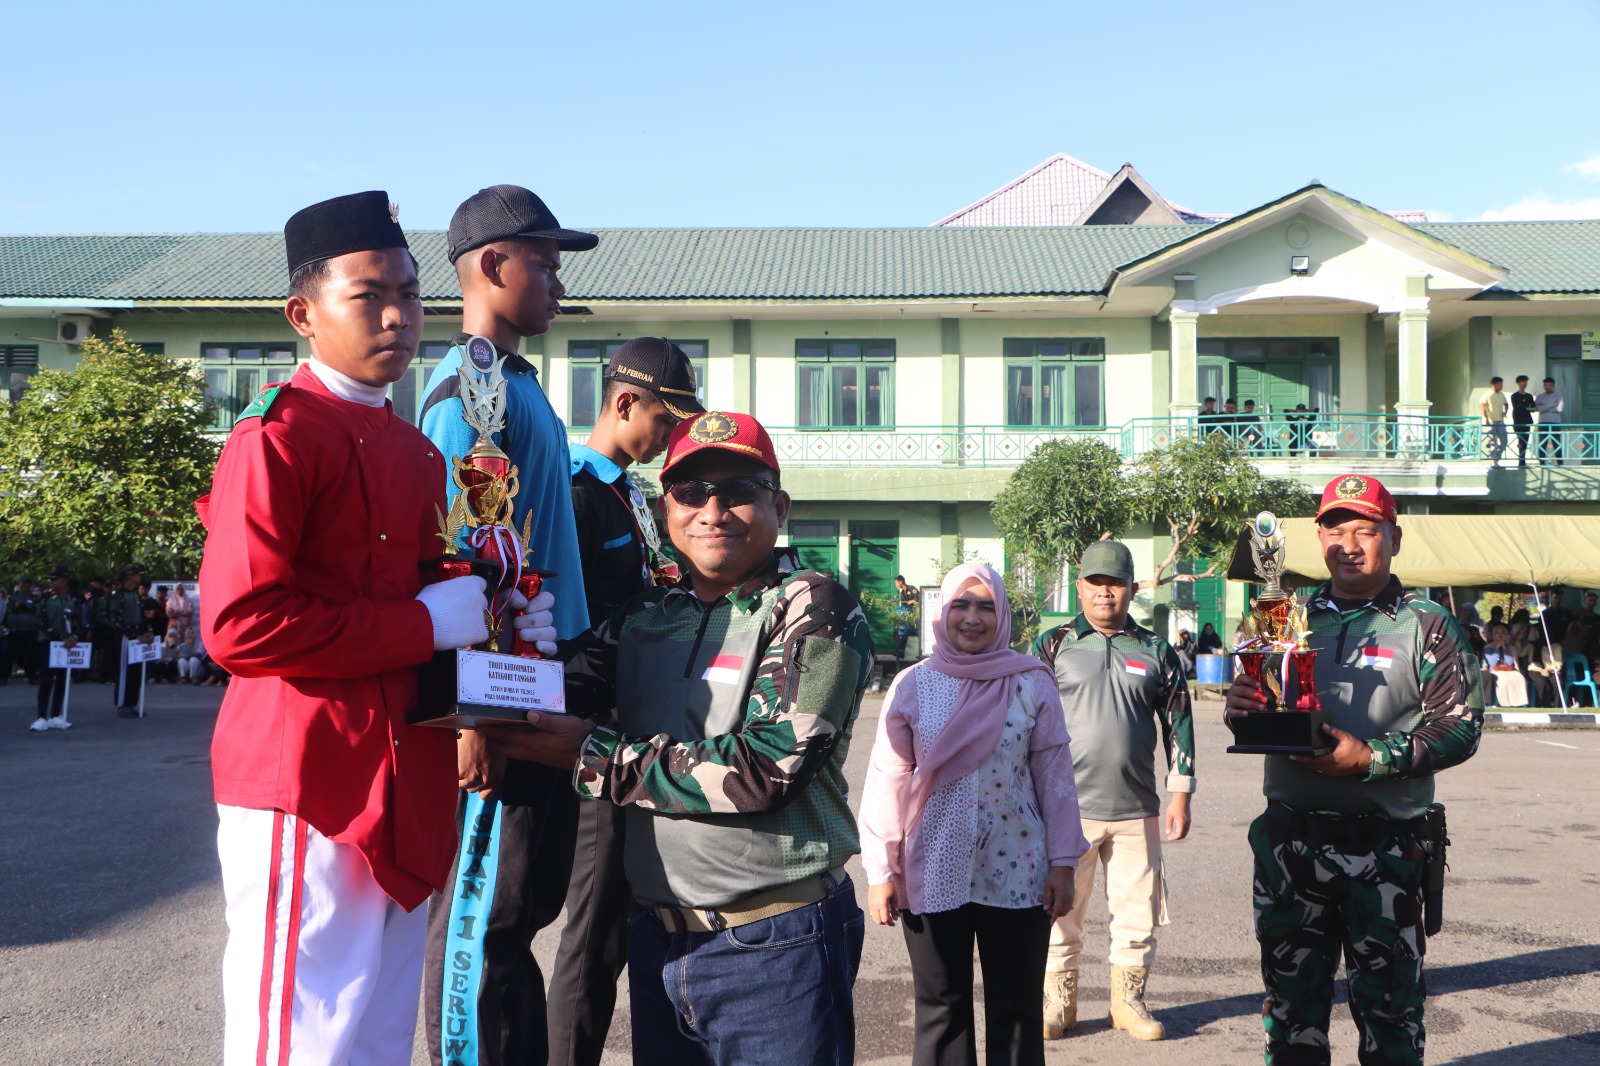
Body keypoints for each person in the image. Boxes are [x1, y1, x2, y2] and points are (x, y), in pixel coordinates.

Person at [199, 191, 504, 1065]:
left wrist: (500, 611)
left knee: (372, 1040)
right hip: (309, 779)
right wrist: (420, 623)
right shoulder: (272, 442)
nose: (400, 316)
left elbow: (431, 593)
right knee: (300, 1039)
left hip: (402, 783)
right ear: (303, 314)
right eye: (369, 294)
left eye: (410, 294)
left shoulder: (417, 452)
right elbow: (238, 626)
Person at [486, 410, 875, 1066]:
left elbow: (766, 769)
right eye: (692, 493)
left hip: (776, 944)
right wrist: (480, 646)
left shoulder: (812, 607)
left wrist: (594, 754)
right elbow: (553, 693)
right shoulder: (645, 617)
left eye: (740, 490)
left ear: (778, 505)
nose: (712, 510)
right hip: (660, 942)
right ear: (666, 509)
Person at [418, 183, 601, 1066]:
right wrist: (476, 717)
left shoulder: (516, 387)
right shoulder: (469, 395)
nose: (558, 283)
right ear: (493, 266)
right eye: (546, 264)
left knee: (520, 910)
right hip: (503, 694)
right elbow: (461, 561)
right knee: (483, 922)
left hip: (539, 676)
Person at [1225, 472, 1483, 1066]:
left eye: (1365, 530)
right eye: (1336, 529)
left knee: (1391, 1023)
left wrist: (1372, 759)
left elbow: (1462, 726)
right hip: (1291, 847)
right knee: (1291, 1021)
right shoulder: (1285, 617)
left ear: (1393, 536)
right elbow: (1264, 707)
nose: (1349, 543)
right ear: (1319, 539)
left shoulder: (1428, 625)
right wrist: (1243, 709)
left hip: (1386, 854)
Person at [859, 562, 1087, 1066]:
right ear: (942, 611)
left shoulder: (1032, 682)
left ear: (1002, 613)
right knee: (941, 1010)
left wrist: (1063, 863)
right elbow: (887, 779)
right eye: (961, 604)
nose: (972, 617)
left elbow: (1056, 778)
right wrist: (882, 871)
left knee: (1017, 1011)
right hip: (932, 869)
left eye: (986, 606)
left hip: (1020, 871)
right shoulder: (913, 684)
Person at [548, 336, 700, 1066]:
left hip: (628, 729)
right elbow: (564, 622)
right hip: (592, 730)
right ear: (624, 401)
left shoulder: (626, 493)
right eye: (665, 423)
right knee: (594, 924)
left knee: (611, 924)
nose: (669, 438)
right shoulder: (575, 491)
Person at [1034, 540, 1195, 1043]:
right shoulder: (1053, 645)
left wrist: (1181, 794)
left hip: (1137, 808)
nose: (1106, 593)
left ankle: (1128, 1002)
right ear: (1080, 586)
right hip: (1065, 809)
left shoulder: (1155, 649)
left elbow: (1179, 723)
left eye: (1116, 583)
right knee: (1060, 911)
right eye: (1097, 583)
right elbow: (1021, 718)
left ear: (1131, 589)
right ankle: (1059, 1005)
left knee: (1137, 912)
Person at [32, 564, 81, 731]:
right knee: (46, 680)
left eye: (55, 579)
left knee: (62, 680)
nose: (52, 582)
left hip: (67, 646)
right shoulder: (45, 599)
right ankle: (41, 717)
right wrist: (62, 637)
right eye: (51, 579)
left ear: (65, 580)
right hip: (49, 643)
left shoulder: (73, 600)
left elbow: (78, 622)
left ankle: (55, 715)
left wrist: (74, 637)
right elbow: (42, 623)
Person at [108, 564, 155, 716]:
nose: (139, 577)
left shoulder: (135, 594)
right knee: (124, 671)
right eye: (136, 574)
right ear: (129, 576)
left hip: (137, 638)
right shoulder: (119, 595)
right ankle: (122, 705)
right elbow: (115, 620)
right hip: (124, 638)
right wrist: (132, 634)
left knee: (136, 671)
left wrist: (148, 632)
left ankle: (132, 703)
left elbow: (141, 616)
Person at [6, 577, 40, 683]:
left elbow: (35, 609)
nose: (25, 586)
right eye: (23, 584)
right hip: (16, 629)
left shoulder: (33, 597)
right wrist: (21, 607)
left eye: (27, 584)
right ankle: (4, 676)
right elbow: (11, 609)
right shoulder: (13, 597)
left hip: (31, 629)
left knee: (32, 654)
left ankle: (31, 676)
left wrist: (24, 607)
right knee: (11, 654)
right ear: (19, 584)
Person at [1479, 375, 1508, 467]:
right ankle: (1494, 462)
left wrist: (1505, 412)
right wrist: (1486, 418)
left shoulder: (1501, 394)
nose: (1501, 386)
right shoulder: (1487, 394)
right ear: (1495, 384)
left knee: (1504, 440)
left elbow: (1506, 404)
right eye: (1500, 384)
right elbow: (1481, 405)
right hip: (1490, 422)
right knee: (1492, 442)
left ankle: (1497, 456)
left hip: (1500, 421)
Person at [1535, 376, 1564, 465]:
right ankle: (1542, 463)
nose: (1547, 387)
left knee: (1556, 443)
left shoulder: (1558, 396)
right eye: (1545, 385)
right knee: (1542, 443)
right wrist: (1552, 405)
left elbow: (1559, 409)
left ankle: (1560, 463)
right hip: (1543, 422)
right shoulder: (1539, 397)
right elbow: (1539, 409)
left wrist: (1545, 407)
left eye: (1549, 385)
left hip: (1555, 422)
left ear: (1553, 386)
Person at [1509, 375, 1536, 467]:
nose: (1524, 384)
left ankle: (1522, 461)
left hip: (1527, 421)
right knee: (1521, 440)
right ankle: (1521, 461)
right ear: (1518, 383)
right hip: (1518, 421)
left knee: (1525, 441)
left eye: (1525, 382)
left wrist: (1526, 407)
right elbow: (1517, 407)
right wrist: (1526, 407)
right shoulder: (1514, 396)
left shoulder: (1529, 396)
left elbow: (1533, 408)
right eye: (1522, 382)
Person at [894, 574, 921, 659]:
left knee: (919, 632)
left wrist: (913, 601)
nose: (896, 585)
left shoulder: (911, 589)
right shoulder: (902, 593)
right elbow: (903, 608)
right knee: (905, 631)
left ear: (901, 582)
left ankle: (922, 653)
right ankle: (901, 652)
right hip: (908, 616)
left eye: (896, 583)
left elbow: (920, 598)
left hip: (916, 614)